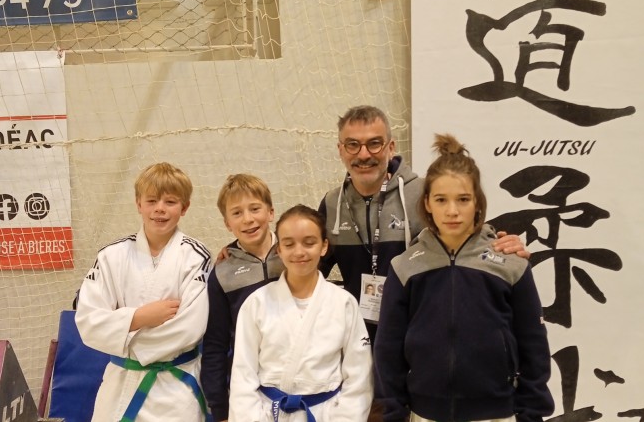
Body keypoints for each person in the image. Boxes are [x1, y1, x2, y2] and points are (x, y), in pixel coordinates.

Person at [373, 134, 554, 422]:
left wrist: (531, 414)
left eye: (463, 199)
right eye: (441, 200)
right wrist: (395, 413)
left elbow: (534, 344)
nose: (452, 211)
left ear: (478, 203)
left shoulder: (511, 264)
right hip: (425, 413)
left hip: (497, 413)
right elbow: (388, 349)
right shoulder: (404, 267)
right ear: (427, 203)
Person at [318, 105, 529, 341]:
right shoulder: (332, 203)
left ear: (391, 147)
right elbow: (311, 267)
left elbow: (468, 237)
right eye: (353, 145)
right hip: (356, 339)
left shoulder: (423, 194)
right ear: (340, 150)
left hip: (419, 335)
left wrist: (500, 246)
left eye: (374, 143)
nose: (364, 154)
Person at [75, 162, 212, 422]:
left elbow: (190, 327)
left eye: (170, 202)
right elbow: (88, 322)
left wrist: (123, 333)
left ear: (184, 207)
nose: (160, 208)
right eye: (151, 200)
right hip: (120, 386)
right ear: (139, 203)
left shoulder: (196, 256)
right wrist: (139, 317)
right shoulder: (111, 256)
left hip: (175, 390)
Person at [229, 204, 373, 422]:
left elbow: (359, 375)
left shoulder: (344, 303)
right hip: (269, 413)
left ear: (324, 246)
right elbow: (243, 375)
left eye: (309, 242)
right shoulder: (257, 303)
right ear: (279, 250)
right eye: (289, 244)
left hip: (326, 413)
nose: (299, 252)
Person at [201, 174, 283, 422]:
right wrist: (220, 409)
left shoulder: (294, 254)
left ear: (270, 212)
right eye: (237, 213)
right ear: (227, 223)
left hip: (299, 380)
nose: (247, 219)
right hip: (248, 389)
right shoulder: (222, 273)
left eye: (255, 209)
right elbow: (215, 343)